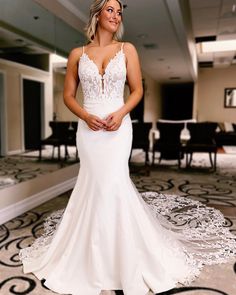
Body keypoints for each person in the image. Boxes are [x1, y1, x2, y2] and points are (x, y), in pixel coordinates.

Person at [19, 0, 236, 294]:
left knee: (114, 183)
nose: (116, 15)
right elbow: (69, 96)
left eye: (119, 11)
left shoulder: (127, 49)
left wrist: (121, 114)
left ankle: (123, 256)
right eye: (110, 9)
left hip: (119, 128)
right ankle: (90, 255)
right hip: (89, 128)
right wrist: (85, 116)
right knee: (93, 184)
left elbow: (137, 90)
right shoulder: (76, 54)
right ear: (96, 14)